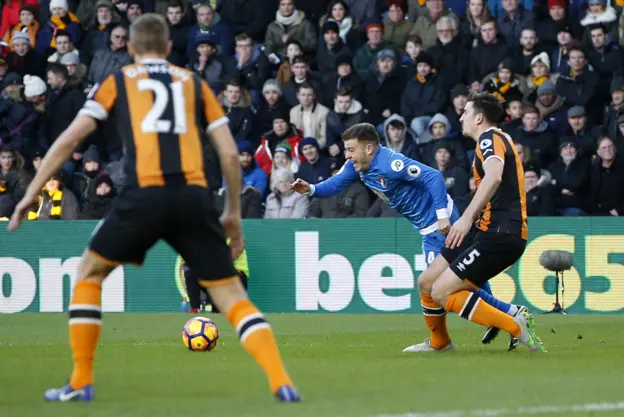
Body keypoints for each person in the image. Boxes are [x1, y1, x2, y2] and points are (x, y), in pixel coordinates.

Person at [7, 14, 300, 403]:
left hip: (144, 194)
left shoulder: (118, 81)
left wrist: (32, 191)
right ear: (167, 48)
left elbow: (68, 139)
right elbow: (229, 153)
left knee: (89, 273)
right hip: (195, 196)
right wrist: (232, 212)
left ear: (129, 48)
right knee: (231, 295)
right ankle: (282, 381)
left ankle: (80, 381)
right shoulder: (193, 82)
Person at [290, 122, 520, 351]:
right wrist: (310, 189)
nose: (347, 155)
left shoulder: (390, 163)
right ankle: (502, 316)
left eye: (351, 149)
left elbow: (432, 177)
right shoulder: (356, 166)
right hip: (426, 228)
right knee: (462, 278)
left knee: (439, 284)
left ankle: (493, 322)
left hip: (440, 226)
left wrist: (442, 216)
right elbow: (334, 184)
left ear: (368, 149)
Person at [408, 93, 545, 353]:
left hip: (500, 233)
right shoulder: (495, 139)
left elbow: (493, 177)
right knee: (427, 282)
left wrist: (465, 219)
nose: (461, 117)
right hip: (484, 230)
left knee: (442, 292)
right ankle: (440, 343)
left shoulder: (489, 138)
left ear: (479, 117)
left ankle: (516, 324)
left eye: (466, 113)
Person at [183, 239, 250, 314]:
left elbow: (229, 257)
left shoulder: (232, 237)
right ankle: (195, 309)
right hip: (217, 277)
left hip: (236, 278)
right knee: (190, 270)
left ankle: (217, 307)